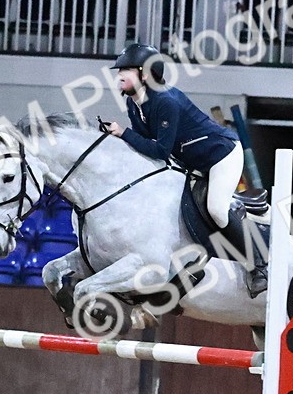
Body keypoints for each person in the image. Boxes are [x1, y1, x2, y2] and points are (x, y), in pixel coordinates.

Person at [101, 42, 267, 297]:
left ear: (145, 74)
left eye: (126, 70)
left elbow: (159, 150)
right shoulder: (135, 104)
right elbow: (145, 146)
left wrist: (123, 133)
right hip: (191, 160)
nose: (119, 75)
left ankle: (258, 267)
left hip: (221, 155)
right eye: (119, 71)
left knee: (217, 211)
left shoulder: (165, 101)